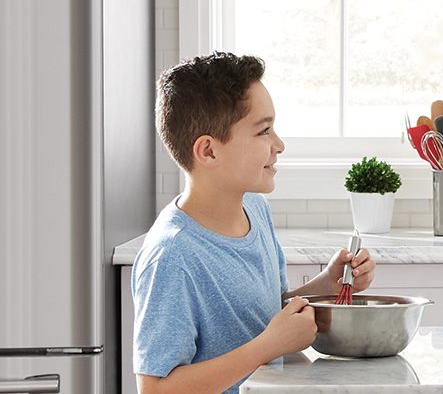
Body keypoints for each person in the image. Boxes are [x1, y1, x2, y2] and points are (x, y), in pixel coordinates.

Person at [131, 52, 377, 392]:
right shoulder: (172, 256)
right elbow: (155, 388)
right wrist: (268, 347)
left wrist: (326, 285)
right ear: (209, 152)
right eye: (264, 131)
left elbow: (263, 313)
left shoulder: (255, 210)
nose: (279, 144)